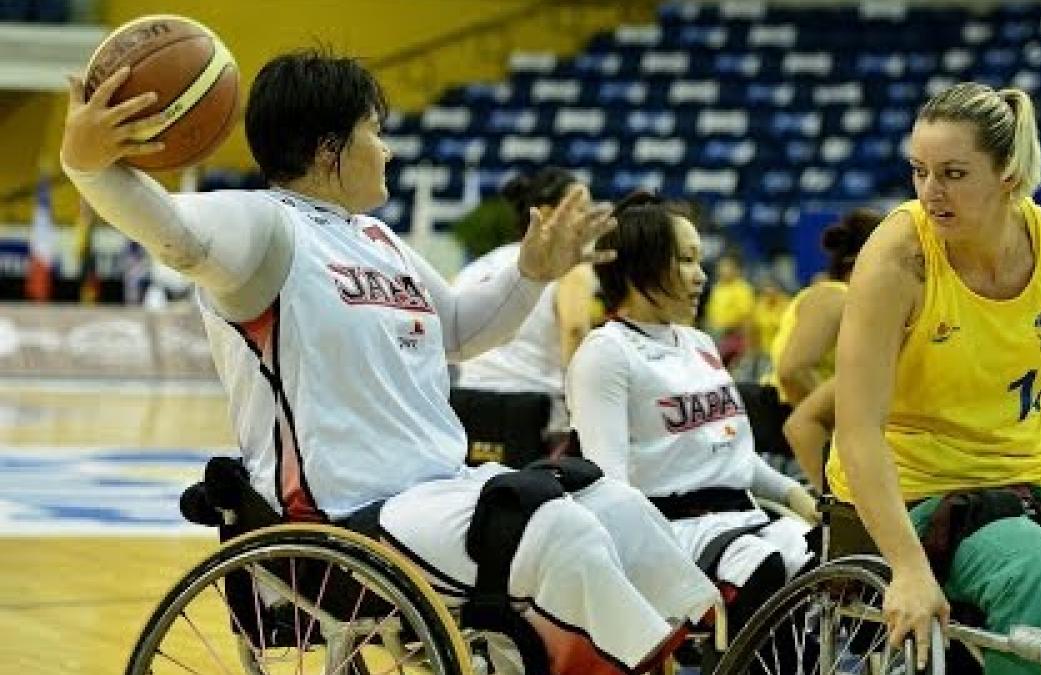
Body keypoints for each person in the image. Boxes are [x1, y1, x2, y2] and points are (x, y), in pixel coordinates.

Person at [61, 51, 718, 675]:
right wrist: (86, 164)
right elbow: (175, 231)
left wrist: (530, 274)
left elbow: (460, 327)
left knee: (617, 504)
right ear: (329, 151)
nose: (390, 149)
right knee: (561, 530)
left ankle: (713, 644)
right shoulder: (264, 227)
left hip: (439, 495)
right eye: (376, 131)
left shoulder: (375, 237)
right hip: (346, 522)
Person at [826, 82, 1041, 674]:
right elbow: (856, 428)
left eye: (954, 174)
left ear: (1009, 175)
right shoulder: (899, 259)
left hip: (1036, 478)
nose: (930, 192)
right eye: (919, 172)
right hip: (923, 491)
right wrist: (910, 569)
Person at [566, 193, 818, 662]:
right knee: (762, 569)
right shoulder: (606, 353)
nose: (702, 275)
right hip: (674, 531)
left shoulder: (700, 342)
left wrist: (796, 496)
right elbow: (609, 486)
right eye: (685, 260)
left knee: (824, 559)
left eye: (700, 260)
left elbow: (734, 458)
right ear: (642, 266)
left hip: (745, 520)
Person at [454, 167, 596, 439]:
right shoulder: (571, 268)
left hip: (468, 408)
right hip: (537, 417)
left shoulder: (475, 268)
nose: (588, 220)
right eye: (581, 210)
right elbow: (575, 330)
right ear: (545, 214)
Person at [765, 208, 883, 485]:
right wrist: (834, 422)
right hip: (782, 429)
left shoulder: (846, 298)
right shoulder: (834, 297)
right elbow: (792, 370)